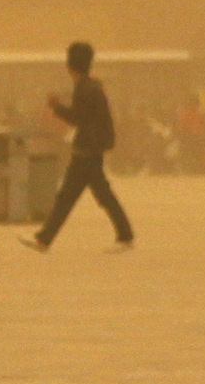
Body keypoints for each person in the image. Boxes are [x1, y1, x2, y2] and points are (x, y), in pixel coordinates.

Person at [22, 40, 134, 252]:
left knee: (73, 196)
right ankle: (45, 239)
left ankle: (45, 239)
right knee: (89, 195)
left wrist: (56, 107)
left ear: (70, 65)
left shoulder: (84, 88)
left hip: (86, 151)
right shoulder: (92, 87)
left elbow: (77, 118)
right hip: (91, 149)